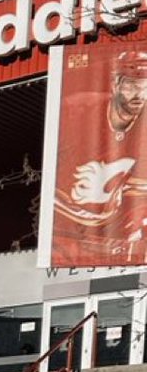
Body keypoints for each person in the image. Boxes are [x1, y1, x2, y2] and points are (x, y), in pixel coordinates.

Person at [53, 50, 147, 265]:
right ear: (115, 85)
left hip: (106, 237)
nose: (139, 95)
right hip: (65, 226)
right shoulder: (77, 111)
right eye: (131, 85)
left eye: (144, 87)